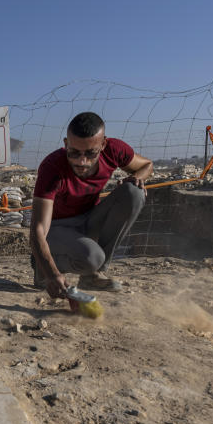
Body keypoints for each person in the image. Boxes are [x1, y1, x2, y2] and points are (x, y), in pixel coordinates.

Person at [29, 111, 153, 296]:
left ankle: (93, 275)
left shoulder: (114, 150)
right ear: (66, 144)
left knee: (133, 192)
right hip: (57, 229)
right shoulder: (52, 167)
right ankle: (42, 269)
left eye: (90, 153)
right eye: (74, 152)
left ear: (103, 145)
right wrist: (51, 273)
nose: (82, 161)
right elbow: (38, 229)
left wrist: (135, 178)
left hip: (89, 219)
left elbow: (147, 165)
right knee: (93, 257)